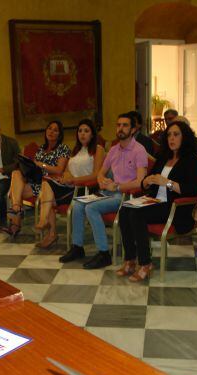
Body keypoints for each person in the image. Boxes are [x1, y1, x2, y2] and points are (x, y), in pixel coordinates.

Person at [60, 113, 148, 269]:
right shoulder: (114, 150)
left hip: (126, 195)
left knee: (91, 207)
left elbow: (140, 182)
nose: (120, 128)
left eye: (125, 125)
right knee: (78, 203)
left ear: (133, 129)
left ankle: (103, 253)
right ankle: (77, 247)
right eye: (118, 125)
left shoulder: (139, 150)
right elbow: (100, 172)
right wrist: (102, 180)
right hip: (108, 192)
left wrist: (118, 187)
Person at [116, 121, 197, 282]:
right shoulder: (163, 158)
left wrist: (166, 182)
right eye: (169, 135)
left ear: (185, 137)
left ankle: (146, 263)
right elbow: (147, 181)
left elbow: (191, 190)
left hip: (175, 207)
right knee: (124, 210)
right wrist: (146, 182)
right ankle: (130, 259)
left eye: (176, 135)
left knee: (136, 214)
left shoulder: (191, 160)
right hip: (155, 201)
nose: (172, 138)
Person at [34, 119, 104, 249]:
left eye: (86, 131)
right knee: (47, 183)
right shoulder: (76, 150)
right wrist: (65, 178)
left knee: (47, 198)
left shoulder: (98, 149)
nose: (82, 134)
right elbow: (66, 171)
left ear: (92, 134)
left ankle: (48, 228)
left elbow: (96, 175)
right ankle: (48, 227)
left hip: (86, 189)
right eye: (80, 131)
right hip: (70, 187)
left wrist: (73, 180)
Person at [4, 120, 69, 238]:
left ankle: (16, 224)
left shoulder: (63, 148)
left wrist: (41, 165)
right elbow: (34, 166)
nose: (51, 132)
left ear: (59, 134)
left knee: (15, 192)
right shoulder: (41, 148)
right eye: (49, 128)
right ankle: (17, 208)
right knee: (16, 173)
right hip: (35, 181)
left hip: (50, 184)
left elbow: (59, 170)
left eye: (55, 130)